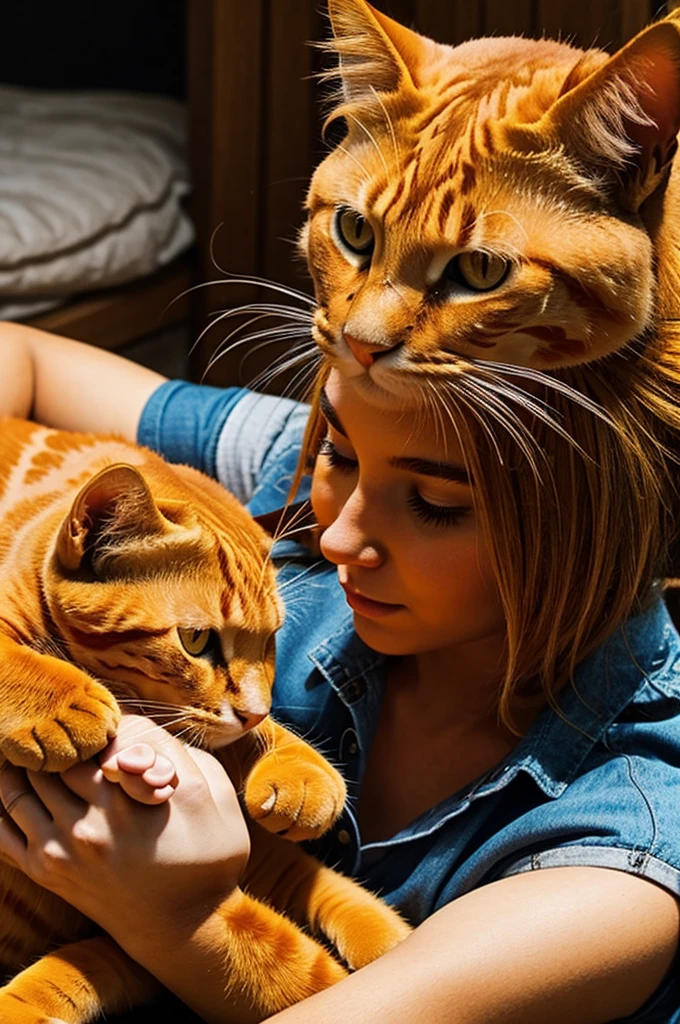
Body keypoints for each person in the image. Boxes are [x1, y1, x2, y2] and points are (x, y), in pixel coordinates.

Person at [0, 317, 679, 1024]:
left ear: (599, 532)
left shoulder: (627, 850)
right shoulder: (355, 439)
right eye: (338, 453)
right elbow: (22, 353)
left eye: (435, 505)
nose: (334, 536)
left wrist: (179, 918)